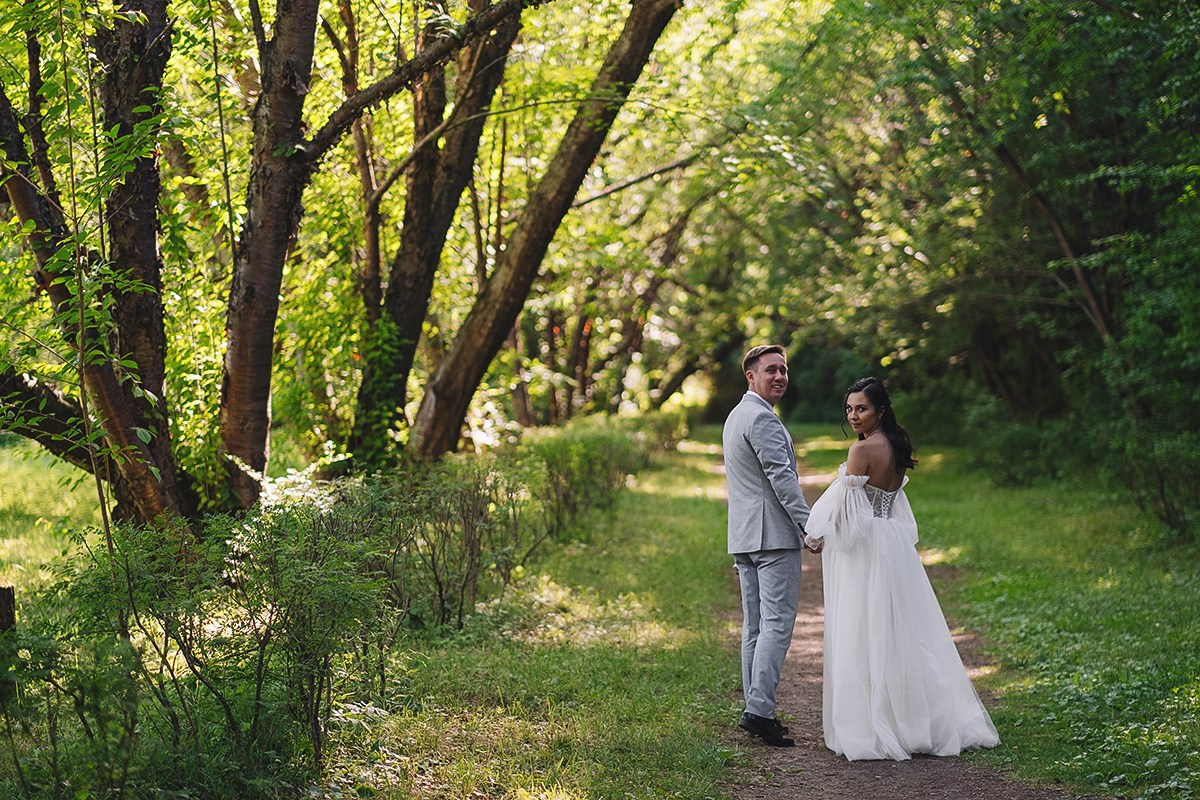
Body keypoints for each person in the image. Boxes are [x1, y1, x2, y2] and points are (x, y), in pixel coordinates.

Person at [804, 376, 999, 761]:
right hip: (892, 542)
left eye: (861, 408)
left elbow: (847, 510)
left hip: (867, 549)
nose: (854, 416)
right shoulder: (895, 443)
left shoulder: (861, 450)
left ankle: (877, 722)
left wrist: (817, 535)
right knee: (901, 628)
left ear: (879, 410)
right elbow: (886, 501)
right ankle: (917, 717)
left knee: (865, 627)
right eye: (849, 409)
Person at [723, 344, 820, 748]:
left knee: (756, 627)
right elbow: (782, 479)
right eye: (770, 370)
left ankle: (755, 707)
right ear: (751, 376)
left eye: (783, 370)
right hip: (771, 537)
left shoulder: (736, 415)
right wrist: (809, 524)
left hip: (744, 536)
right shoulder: (761, 419)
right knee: (776, 625)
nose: (779, 376)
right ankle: (759, 711)